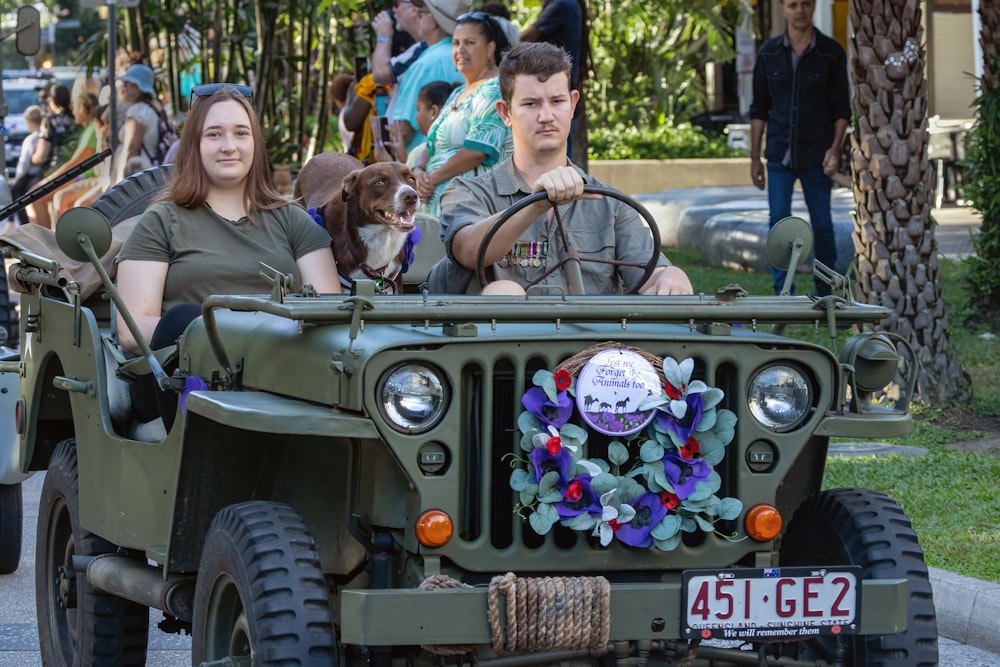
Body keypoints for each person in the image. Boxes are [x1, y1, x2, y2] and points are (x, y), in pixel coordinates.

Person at [116, 84, 341, 431]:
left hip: (282, 369)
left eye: (241, 133)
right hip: (180, 370)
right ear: (194, 146)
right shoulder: (162, 219)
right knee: (183, 318)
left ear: (255, 144)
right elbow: (132, 330)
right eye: (214, 134)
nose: (229, 146)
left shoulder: (292, 219)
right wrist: (226, 336)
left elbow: (328, 312)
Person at [430, 42, 692, 296]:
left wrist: (669, 276)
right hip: (502, 339)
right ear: (505, 113)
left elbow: (648, 272)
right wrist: (537, 203)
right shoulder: (468, 192)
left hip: (593, 340)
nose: (546, 116)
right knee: (503, 291)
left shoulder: (610, 203)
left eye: (557, 101)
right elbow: (468, 249)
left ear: (572, 103)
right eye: (530, 104)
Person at [748, 0, 849, 296]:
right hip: (779, 154)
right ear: (783, 9)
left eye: (805, 3)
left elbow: (842, 109)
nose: (800, 10)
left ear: (814, 6)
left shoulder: (831, 53)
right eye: (793, 4)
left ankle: (826, 292)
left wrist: (834, 149)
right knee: (778, 222)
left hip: (817, 155)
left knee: (822, 225)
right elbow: (758, 110)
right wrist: (755, 158)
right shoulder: (768, 54)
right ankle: (784, 293)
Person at [410, 11, 512, 216]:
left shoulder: (494, 90)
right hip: (439, 205)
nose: (460, 50)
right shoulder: (457, 93)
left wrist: (432, 180)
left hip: (472, 209)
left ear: (490, 48)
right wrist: (419, 171)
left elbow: (476, 151)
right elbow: (431, 144)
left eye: (469, 43)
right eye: (456, 43)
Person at [388, 0, 468, 154]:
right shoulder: (463, 55)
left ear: (433, 21)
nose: (419, 17)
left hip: (423, 165)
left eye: (422, 13)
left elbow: (403, 131)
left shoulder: (425, 64)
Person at [30, 91, 103, 229]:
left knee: (38, 197)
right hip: (82, 176)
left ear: (82, 108)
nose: (73, 111)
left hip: (86, 177)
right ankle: (47, 243)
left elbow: (76, 163)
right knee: (36, 196)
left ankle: (50, 244)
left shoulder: (92, 129)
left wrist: (47, 181)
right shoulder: (87, 129)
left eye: (74, 107)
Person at [25, 84, 78, 228]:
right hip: (78, 170)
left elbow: (41, 156)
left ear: (52, 101)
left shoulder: (49, 120)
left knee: (30, 197)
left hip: (55, 171)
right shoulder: (77, 117)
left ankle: (45, 242)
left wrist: (31, 159)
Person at [375, 80, 456, 166]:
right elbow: (412, 170)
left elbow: (411, 178)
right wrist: (402, 154)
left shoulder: (426, 151)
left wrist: (387, 162)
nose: (416, 117)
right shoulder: (456, 145)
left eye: (418, 109)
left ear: (433, 111)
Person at [113, 64, 162, 183]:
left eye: (128, 82)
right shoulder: (153, 107)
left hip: (136, 175)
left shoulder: (138, 111)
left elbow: (132, 148)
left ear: (138, 86)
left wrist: (121, 183)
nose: (124, 87)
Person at [6, 105, 45, 230]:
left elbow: (24, 161)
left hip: (30, 175)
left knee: (16, 191)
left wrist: (18, 177)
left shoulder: (31, 139)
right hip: (42, 174)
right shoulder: (45, 135)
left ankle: (21, 225)